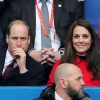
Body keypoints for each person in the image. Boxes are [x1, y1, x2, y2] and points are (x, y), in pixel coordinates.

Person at [0, 0, 83, 83]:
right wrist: (30, 51)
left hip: (62, 62)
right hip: (28, 60)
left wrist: (62, 55)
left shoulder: (71, 3)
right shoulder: (18, 4)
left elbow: (79, 34)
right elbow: (10, 33)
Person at [47, 19, 100, 86]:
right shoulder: (60, 64)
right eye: (76, 37)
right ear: (71, 40)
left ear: (92, 40)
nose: (80, 41)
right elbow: (51, 91)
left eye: (85, 36)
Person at [0, 20, 45, 86]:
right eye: (15, 38)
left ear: (29, 40)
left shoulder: (37, 69)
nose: (19, 43)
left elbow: (28, 94)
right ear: (7, 39)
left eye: (23, 39)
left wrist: (23, 69)